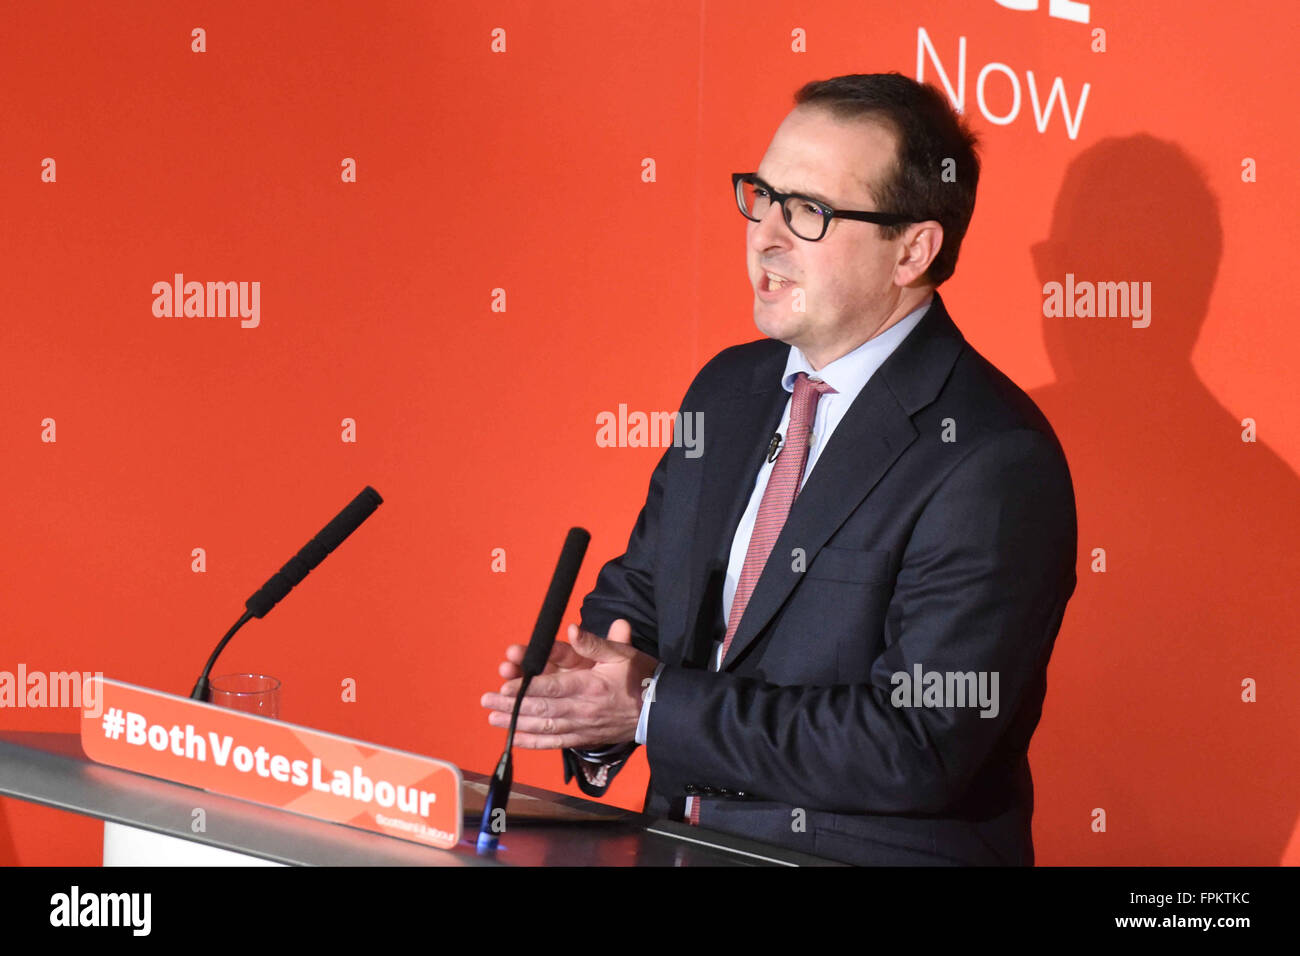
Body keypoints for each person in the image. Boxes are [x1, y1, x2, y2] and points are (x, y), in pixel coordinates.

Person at [480, 72, 1077, 866]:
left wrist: (651, 708)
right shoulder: (729, 389)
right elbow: (647, 599)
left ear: (913, 250)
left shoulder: (992, 457)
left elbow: (916, 741)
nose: (765, 234)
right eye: (761, 195)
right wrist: (586, 704)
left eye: (809, 212)